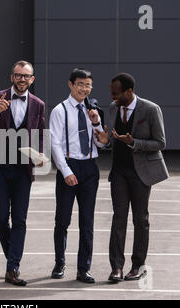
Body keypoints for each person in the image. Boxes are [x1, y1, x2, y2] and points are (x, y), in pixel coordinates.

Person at [0, 60, 46, 286]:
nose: (22, 79)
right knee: (1, 218)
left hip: (24, 169)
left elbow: (40, 134)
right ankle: (12, 259)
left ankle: (12, 267)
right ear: (12, 77)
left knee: (20, 219)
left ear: (32, 79)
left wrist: (40, 155)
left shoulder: (38, 104)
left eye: (26, 76)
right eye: (18, 75)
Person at [94, 72, 169, 283]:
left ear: (129, 91)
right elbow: (114, 140)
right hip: (118, 171)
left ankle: (138, 266)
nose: (112, 97)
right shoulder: (113, 107)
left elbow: (160, 143)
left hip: (140, 172)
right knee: (118, 218)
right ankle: (116, 267)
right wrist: (105, 141)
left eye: (116, 93)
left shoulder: (151, 109)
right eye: (111, 93)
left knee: (140, 219)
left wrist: (134, 142)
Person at [49, 68, 106, 283]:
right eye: (80, 84)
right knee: (62, 220)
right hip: (70, 165)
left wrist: (96, 122)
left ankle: (84, 268)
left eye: (88, 85)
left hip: (90, 167)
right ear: (71, 84)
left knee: (87, 221)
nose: (85, 88)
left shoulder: (93, 109)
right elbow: (55, 144)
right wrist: (66, 171)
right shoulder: (60, 110)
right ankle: (60, 262)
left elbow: (101, 142)